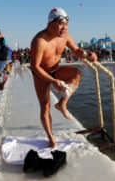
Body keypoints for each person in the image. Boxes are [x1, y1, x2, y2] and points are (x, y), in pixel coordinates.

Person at [30, 8, 97, 148]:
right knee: (45, 106)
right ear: (51, 23)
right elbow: (35, 67)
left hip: (55, 70)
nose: (64, 28)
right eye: (61, 24)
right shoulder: (40, 40)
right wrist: (53, 81)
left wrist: (88, 54)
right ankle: (50, 138)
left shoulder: (65, 36)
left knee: (76, 73)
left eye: (66, 25)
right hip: (41, 74)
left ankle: (62, 103)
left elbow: (77, 50)